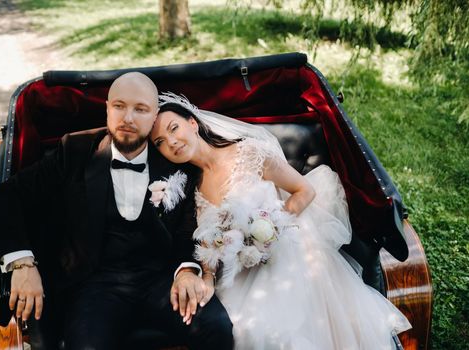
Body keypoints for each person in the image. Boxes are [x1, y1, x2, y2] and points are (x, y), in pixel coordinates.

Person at [0, 73, 233, 350]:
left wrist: (187, 270)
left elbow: (189, 226)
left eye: (140, 109)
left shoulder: (173, 158)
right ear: (107, 108)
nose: (128, 118)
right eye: (119, 106)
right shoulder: (75, 151)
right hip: (95, 286)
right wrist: (23, 264)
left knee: (217, 328)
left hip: (161, 280)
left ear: (154, 118)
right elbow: (4, 197)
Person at [149, 93, 412, 349]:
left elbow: (304, 191)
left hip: (284, 252)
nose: (171, 142)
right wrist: (206, 278)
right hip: (238, 274)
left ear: (193, 123)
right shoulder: (192, 190)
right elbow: (208, 242)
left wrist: (270, 229)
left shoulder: (248, 153)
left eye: (174, 128)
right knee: (240, 328)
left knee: (275, 331)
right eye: (160, 141)